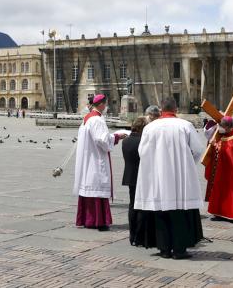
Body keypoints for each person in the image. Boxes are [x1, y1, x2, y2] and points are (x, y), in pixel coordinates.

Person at [134, 97, 204, 259]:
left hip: (158, 178)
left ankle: (164, 249)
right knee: (179, 214)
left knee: (160, 212)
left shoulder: (150, 128)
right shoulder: (185, 126)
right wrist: (187, 164)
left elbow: (142, 152)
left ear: (160, 109)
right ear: (176, 109)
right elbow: (198, 150)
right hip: (180, 178)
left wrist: (153, 166)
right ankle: (179, 250)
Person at [73, 94, 127, 231]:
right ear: (102, 104)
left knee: (89, 187)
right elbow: (102, 140)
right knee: (98, 187)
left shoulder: (87, 118)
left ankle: (87, 219)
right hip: (96, 160)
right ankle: (99, 221)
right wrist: (116, 136)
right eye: (106, 104)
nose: (106, 107)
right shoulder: (97, 120)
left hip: (88, 158)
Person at [122, 117, 152, 246]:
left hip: (129, 176)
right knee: (142, 207)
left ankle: (132, 235)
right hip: (142, 176)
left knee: (132, 206)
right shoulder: (143, 141)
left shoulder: (126, 141)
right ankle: (140, 237)